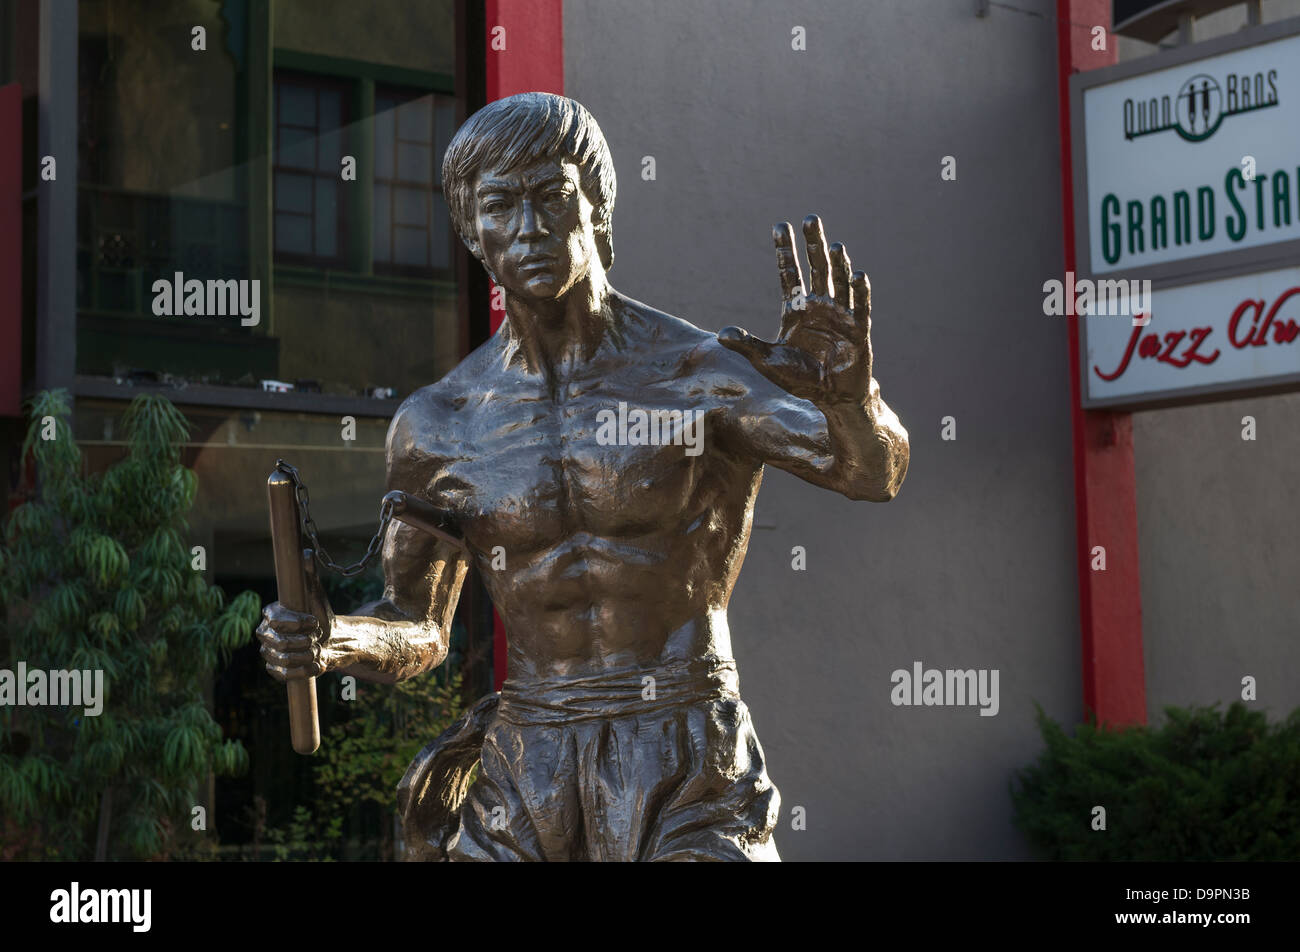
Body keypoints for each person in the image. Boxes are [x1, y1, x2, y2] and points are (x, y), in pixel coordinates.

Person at [257, 92, 909, 861]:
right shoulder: (440, 424)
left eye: (551, 196)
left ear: (596, 204)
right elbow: (422, 627)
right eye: (499, 205)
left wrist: (851, 401)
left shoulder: (695, 373)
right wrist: (335, 638)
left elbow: (867, 473)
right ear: (474, 231)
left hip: (686, 748)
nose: (528, 228)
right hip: (528, 760)